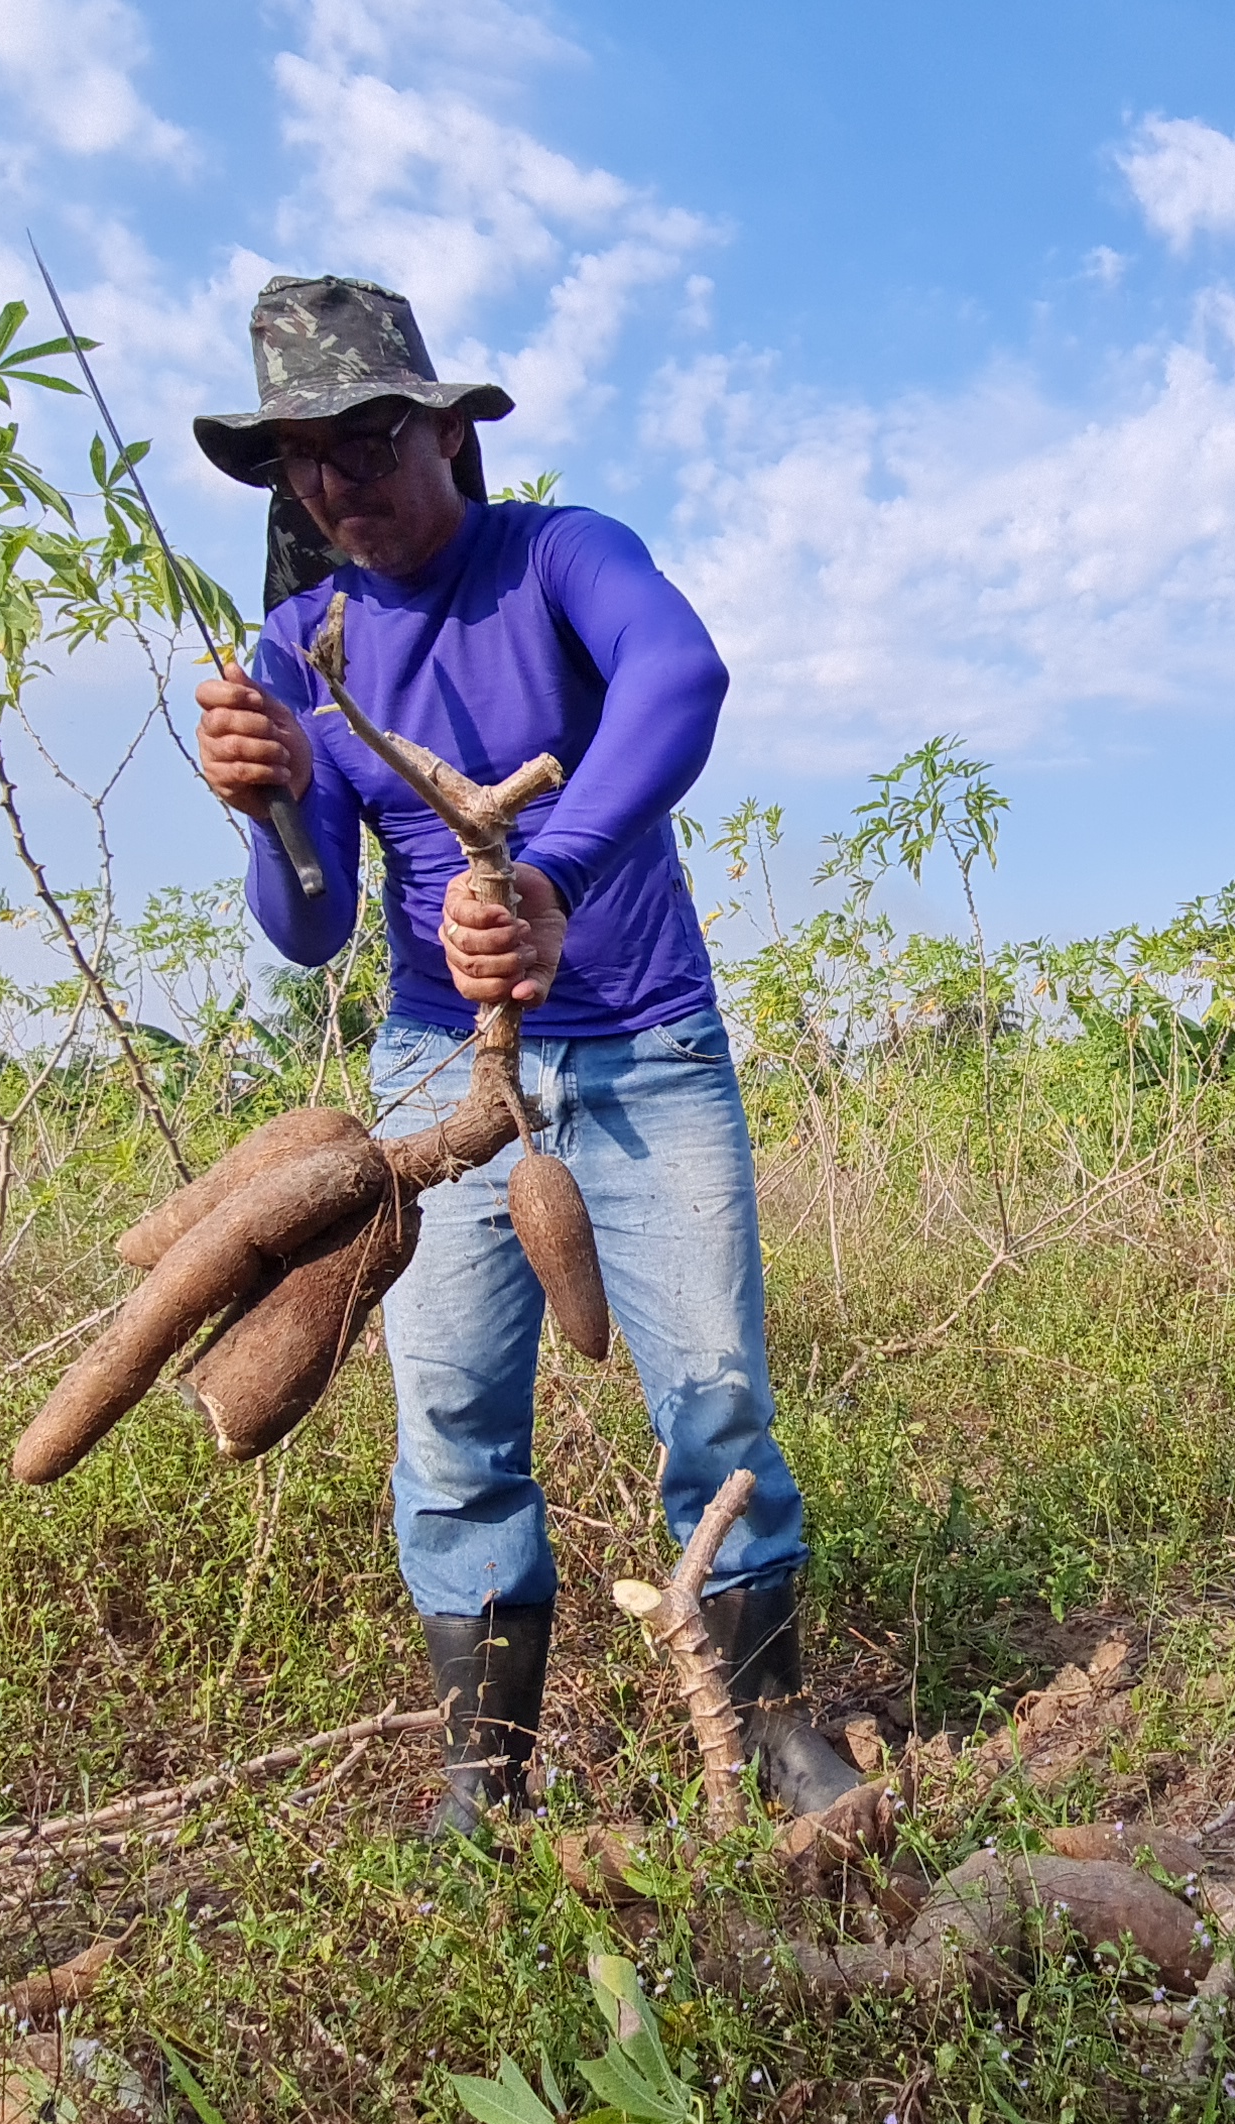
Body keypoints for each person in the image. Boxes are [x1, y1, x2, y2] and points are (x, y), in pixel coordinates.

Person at [183, 274, 861, 1839]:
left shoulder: (562, 554)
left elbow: (680, 682)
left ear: (443, 430)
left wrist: (545, 873)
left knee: (712, 1396)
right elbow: (308, 925)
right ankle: (485, 1776)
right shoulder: (303, 647)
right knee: (454, 1423)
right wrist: (274, 806)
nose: (335, 481)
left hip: (642, 1045)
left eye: (365, 437)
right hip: (446, 1077)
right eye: (300, 457)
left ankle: (769, 1725)